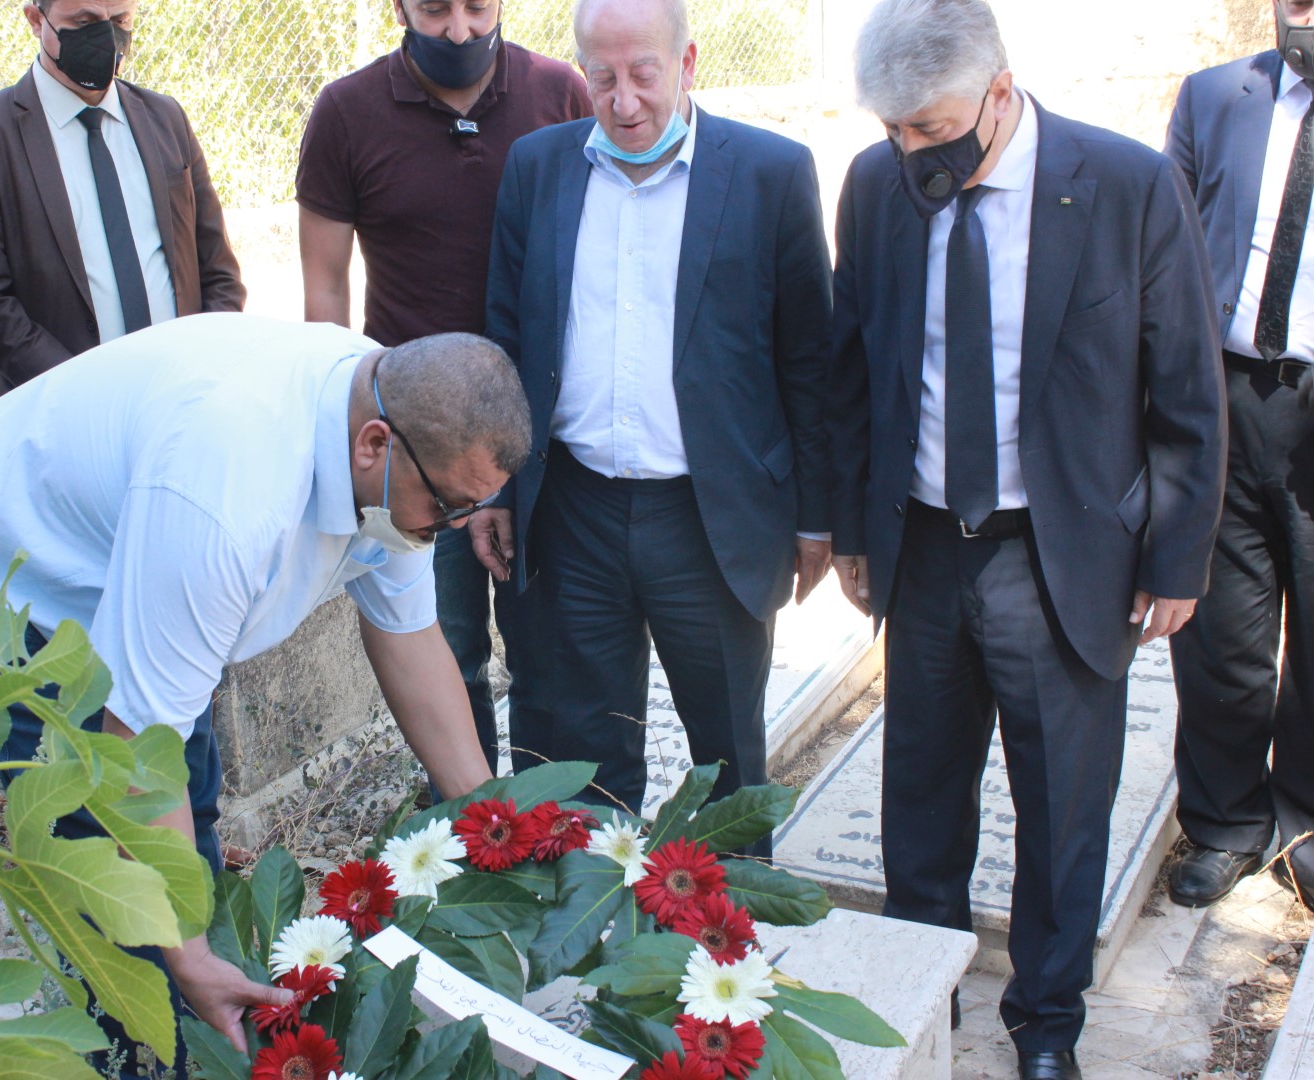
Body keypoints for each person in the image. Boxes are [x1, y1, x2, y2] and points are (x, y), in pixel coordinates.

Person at [0, 312, 528, 1074]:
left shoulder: (394, 425)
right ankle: (127, 1048)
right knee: (110, 881)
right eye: (448, 507)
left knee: (187, 829)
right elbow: (137, 746)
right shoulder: (229, 490)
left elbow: (409, 639)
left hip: (139, 572)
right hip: (9, 579)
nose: (454, 526)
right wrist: (186, 954)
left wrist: (492, 821)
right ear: (374, 445)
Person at [828, 1, 1226, 1076]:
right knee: (919, 802)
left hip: (1060, 559)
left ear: (999, 91)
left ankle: (1046, 1029)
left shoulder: (1127, 186)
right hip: (924, 545)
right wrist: (856, 527)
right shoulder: (875, 186)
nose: (911, 150)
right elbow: (854, 366)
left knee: (1061, 812)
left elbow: (1187, 387)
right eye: (893, 129)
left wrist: (1176, 557)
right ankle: (921, 1008)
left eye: (930, 126)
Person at [475, 0, 833, 854]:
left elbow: (809, 359)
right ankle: (594, 924)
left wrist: (817, 516)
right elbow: (507, 335)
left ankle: (731, 926)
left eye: (644, 74)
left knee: (728, 757)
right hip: (575, 508)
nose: (624, 101)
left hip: (710, 515)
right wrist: (495, 483)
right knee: (581, 758)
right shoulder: (539, 167)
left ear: (687, 62)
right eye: (602, 78)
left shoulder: (770, 173)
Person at [296, 0, 590, 773]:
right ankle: (468, 830)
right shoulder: (345, 113)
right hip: (415, 448)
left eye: (476, 7)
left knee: (550, 658)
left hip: (536, 441)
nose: (459, 30)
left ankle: (547, 826)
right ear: (398, 6)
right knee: (444, 654)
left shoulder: (560, 93)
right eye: (434, 9)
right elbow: (324, 291)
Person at [1162, 0, 1314, 912]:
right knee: (1221, 633)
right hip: (1230, 393)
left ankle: (1305, 824)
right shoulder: (1216, 98)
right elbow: (1167, 250)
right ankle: (1224, 823)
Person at [0, 0, 244, 404]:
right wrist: (88, 397)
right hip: (55, 410)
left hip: (179, 400)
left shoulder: (166, 119)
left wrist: (204, 369)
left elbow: (218, 270)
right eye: (84, 22)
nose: (106, 37)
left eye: (120, 21)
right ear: (35, 19)